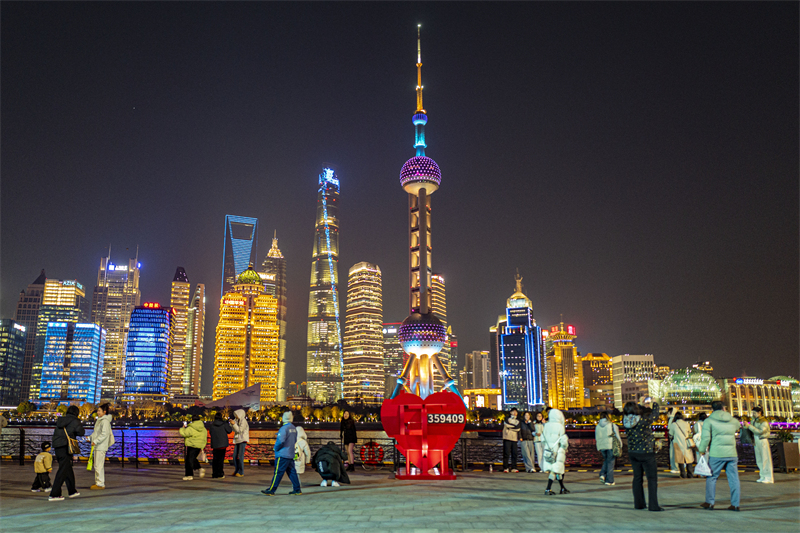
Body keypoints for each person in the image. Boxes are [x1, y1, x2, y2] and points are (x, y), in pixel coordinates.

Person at [697, 400, 742, 511]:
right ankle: (735, 504)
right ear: (724, 408)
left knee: (711, 477)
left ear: (713, 409)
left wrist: (702, 450)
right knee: (734, 479)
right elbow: (738, 428)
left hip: (716, 453)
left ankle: (710, 502)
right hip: (732, 453)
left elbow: (706, 438)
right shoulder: (733, 420)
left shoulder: (709, 421)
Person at [623, 399, 663, 511]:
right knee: (652, 479)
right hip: (646, 452)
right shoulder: (643, 421)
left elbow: (634, 414)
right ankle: (653, 505)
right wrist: (654, 403)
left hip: (633, 452)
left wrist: (640, 404)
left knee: (637, 478)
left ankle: (639, 504)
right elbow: (655, 415)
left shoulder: (625, 421)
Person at [49, 405, 85, 501]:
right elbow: (81, 432)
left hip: (57, 446)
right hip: (66, 447)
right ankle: (54, 494)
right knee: (63, 470)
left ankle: (72, 491)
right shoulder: (75, 421)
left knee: (67, 468)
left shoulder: (61, 420)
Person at [262, 411, 302, 495]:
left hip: (283, 454)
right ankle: (297, 489)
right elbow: (294, 440)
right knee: (292, 472)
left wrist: (275, 448)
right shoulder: (294, 428)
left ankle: (272, 490)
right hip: (290, 454)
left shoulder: (284, 428)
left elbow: (280, 441)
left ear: (283, 418)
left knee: (278, 473)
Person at [541, 408, 569, 494]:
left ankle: (562, 488)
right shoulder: (560, 426)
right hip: (558, 451)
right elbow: (563, 440)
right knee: (555, 470)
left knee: (558, 470)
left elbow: (542, 438)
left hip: (548, 451)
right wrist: (565, 447)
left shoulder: (546, 425)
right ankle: (548, 489)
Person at [743, 406, 773, 483]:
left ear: (759, 413)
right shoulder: (754, 420)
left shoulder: (764, 421)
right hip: (756, 440)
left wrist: (749, 426)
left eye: (754, 413)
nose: (753, 414)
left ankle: (768, 477)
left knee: (765, 459)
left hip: (762, 440)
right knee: (759, 460)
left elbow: (760, 431)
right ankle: (762, 476)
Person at [89, 403, 115, 489]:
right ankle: (98, 482)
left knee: (98, 465)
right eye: (97, 411)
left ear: (104, 412)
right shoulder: (100, 420)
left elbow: (104, 434)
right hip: (98, 445)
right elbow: (96, 433)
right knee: (97, 465)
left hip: (101, 446)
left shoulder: (105, 421)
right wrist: (89, 438)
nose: (98, 412)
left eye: (99, 411)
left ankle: (100, 483)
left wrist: (95, 441)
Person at [595, 411, 621, 486]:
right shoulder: (612, 425)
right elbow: (617, 436)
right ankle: (609, 480)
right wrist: (620, 445)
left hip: (601, 447)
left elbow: (596, 437)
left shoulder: (597, 426)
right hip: (610, 446)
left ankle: (603, 474)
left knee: (607, 460)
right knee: (610, 462)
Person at [179, 414, 207, 481]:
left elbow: (184, 433)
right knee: (193, 459)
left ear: (192, 420)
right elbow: (205, 437)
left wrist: (182, 428)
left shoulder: (191, 427)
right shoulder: (203, 428)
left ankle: (189, 475)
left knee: (189, 460)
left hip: (192, 445)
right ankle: (199, 468)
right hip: (199, 445)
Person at [668, 409, 695, 478]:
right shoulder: (686, 423)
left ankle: (683, 474)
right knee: (689, 459)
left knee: (680, 459)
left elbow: (670, 434)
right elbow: (689, 433)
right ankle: (690, 474)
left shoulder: (674, 424)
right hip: (687, 443)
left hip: (678, 443)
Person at [209, 411, 232, 479]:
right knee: (220, 460)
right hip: (223, 444)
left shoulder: (212, 425)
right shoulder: (224, 424)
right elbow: (229, 431)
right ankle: (220, 473)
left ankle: (214, 473)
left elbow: (211, 433)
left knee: (215, 460)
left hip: (215, 445)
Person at [231, 409, 249, 477]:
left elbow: (239, 430)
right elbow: (234, 429)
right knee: (234, 456)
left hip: (242, 440)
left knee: (240, 456)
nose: (236, 416)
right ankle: (237, 470)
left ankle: (241, 472)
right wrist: (232, 424)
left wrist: (234, 424)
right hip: (237, 440)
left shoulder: (243, 421)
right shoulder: (237, 420)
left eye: (237, 414)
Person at [502, 408, 521, 472]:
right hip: (507, 437)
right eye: (513, 411)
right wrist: (513, 426)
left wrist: (510, 428)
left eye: (516, 412)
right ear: (510, 412)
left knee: (514, 453)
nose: (514, 413)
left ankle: (514, 467)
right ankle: (505, 467)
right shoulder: (507, 418)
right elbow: (506, 425)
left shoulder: (518, 420)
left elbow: (518, 428)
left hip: (514, 439)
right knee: (506, 453)